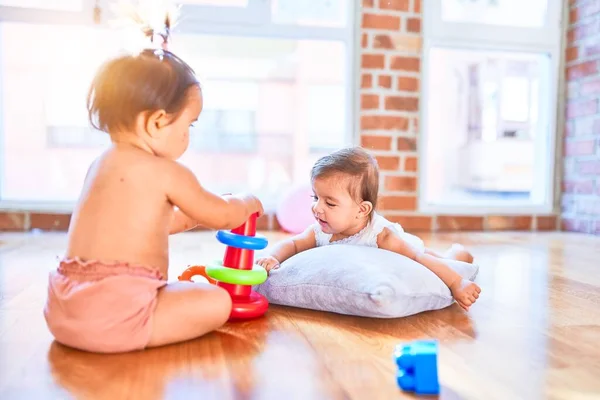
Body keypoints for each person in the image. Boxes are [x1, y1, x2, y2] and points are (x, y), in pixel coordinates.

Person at [43, 14, 263, 353]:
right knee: (217, 301)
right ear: (158, 122)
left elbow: (149, 224)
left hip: (63, 309)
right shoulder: (167, 172)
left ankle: (103, 328)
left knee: (174, 293)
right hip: (115, 316)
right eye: (189, 125)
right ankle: (129, 332)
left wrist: (191, 217)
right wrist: (245, 202)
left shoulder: (100, 165)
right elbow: (222, 216)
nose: (188, 136)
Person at [257, 147, 481, 311]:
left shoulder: (383, 237)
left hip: (409, 248)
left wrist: (456, 283)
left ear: (362, 210)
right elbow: (293, 244)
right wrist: (272, 257)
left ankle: (457, 256)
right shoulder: (319, 230)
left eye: (330, 203)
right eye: (316, 197)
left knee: (436, 258)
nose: (317, 208)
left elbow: (419, 258)